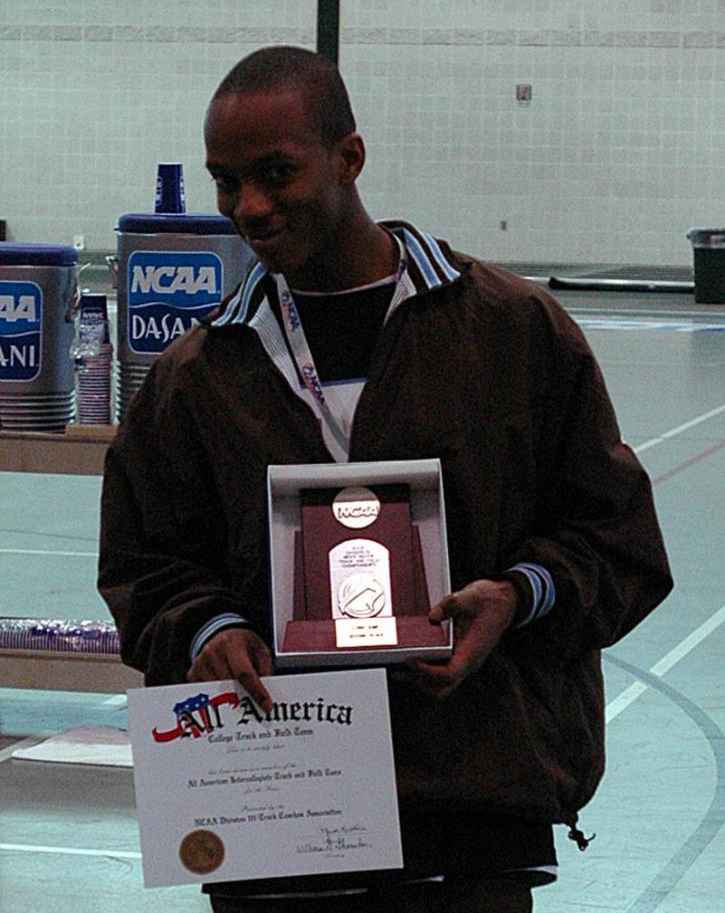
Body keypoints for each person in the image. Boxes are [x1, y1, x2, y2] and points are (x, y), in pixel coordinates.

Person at [98, 46, 673, 912]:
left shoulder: (512, 332)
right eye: (226, 182)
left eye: (276, 173)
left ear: (350, 158)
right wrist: (205, 627)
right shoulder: (198, 374)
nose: (248, 207)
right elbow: (145, 563)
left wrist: (516, 596)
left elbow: (615, 538)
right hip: (278, 813)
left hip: (471, 807)